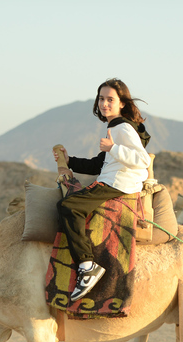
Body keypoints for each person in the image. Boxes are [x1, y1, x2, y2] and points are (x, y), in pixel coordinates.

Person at [53, 78, 151, 301]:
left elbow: (142, 159)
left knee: (69, 206)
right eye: (101, 99)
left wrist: (113, 147)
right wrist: (69, 161)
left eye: (110, 99)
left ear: (122, 103)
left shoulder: (121, 126)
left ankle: (87, 265)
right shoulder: (116, 126)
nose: (104, 103)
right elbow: (100, 164)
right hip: (112, 177)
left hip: (117, 182)